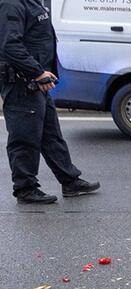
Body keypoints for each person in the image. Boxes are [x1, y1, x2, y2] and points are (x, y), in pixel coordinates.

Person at [0, 0, 99, 204]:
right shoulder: (11, 4)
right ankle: (25, 189)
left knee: (51, 135)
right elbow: (9, 45)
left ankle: (69, 181)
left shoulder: (31, 1)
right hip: (22, 82)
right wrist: (36, 72)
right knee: (24, 138)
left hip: (39, 82)